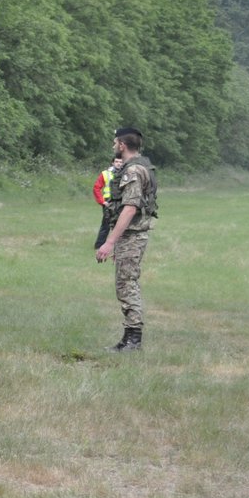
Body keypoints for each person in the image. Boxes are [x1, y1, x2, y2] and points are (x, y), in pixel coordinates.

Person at [95, 127, 157, 352]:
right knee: (125, 283)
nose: (113, 147)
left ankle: (133, 340)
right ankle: (129, 338)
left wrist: (110, 242)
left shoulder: (133, 171)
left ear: (122, 145)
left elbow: (129, 209)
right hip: (130, 236)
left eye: (115, 143)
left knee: (127, 284)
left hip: (132, 235)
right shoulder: (139, 166)